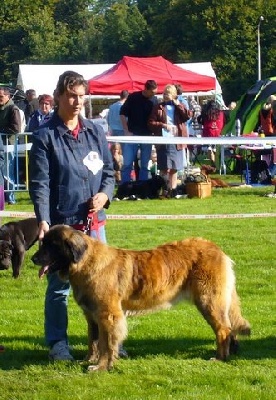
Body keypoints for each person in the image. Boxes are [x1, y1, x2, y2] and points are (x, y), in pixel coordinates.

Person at [28, 70, 115, 361]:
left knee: (102, 288)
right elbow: (40, 183)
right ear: (58, 97)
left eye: (81, 96)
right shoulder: (44, 136)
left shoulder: (95, 131)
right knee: (59, 289)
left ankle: (107, 343)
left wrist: (105, 195)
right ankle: (57, 344)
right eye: (72, 96)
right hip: (63, 227)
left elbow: (110, 174)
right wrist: (43, 219)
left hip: (94, 226)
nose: (78, 102)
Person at [148, 84, 191, 198]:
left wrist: (179, 105)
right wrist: (163, 125)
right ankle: (163, 190)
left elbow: (188, 116)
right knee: (164, 167)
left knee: (174, 167)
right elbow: (151, 123)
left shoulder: (180, 105)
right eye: (165, 93)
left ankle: (173, 191)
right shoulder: (158, 107)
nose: (166, 95)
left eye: (168, 93)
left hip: (176, 140)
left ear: (174, 95)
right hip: (163, 140)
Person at [120, 80, 158, 183]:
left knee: (145, 164)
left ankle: (143, 187)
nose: (154, 94)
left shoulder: (154, 100)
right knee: (127, 163)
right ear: (146, 89)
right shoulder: (133, 97)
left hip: (147, 136)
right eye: (152, 92)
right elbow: (122, 113)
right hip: (133, 135)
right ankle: (125, 187)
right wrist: (126, 130)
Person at [0, 87, 21, 205]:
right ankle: (3, 195)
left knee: (8, 172)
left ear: (8, 96)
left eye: (1, 97)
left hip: (9, 144)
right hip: (1, 144)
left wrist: (2, 130)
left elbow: (16, 128)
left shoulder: (13, 108)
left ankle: (11, 196)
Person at [197, 100, 226, 167]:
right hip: (217, 134)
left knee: (209, 149)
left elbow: (200, 120)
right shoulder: (221, 113)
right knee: (214, 149)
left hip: (208, 134)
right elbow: (225, 121)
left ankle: (213, 163)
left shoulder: (206, 113)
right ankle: (214, 163)